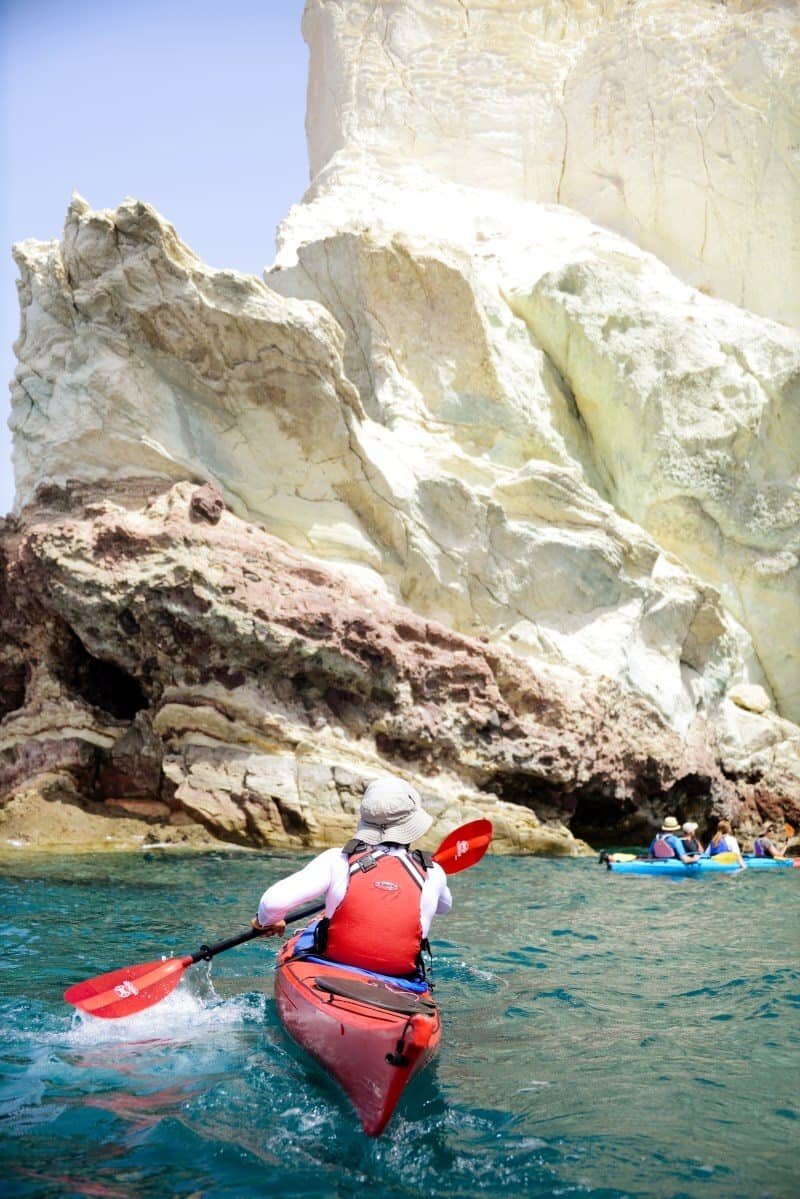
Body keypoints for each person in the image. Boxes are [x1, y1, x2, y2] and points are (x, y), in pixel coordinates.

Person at [251, 776, 452, 978]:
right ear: (412, 823)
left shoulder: (337, 860)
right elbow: (444, 907)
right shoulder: (433, 872)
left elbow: (272, 904)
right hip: (400, 981)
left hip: (333, 969)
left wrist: (267, 922)